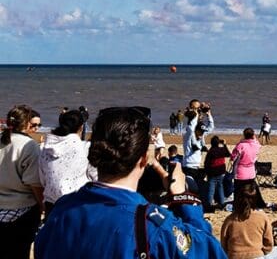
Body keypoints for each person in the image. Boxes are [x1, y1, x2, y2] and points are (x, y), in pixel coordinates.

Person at [34, 105, 228, 258]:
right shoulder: (153, 225)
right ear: (144, 159)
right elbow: (210, 252)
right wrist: (184, 199)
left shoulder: (62, 212)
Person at [0, 105, 44, 259]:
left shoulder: (3, 139)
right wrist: (42, 205)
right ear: (26, 123)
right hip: (21, 209)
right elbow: (34, 183)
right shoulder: (29, 145)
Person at [39, 108, 96, 213]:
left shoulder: (45, 148)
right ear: (81, 127)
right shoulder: (85, 148)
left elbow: (43, 179)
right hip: (77, 203)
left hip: (51, 204)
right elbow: (96, 177)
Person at [220, 182, 277, 259]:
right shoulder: (262, 217)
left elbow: (223, 244)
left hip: (235, 256)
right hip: (256, 256)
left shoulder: (230, 219)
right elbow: (269, 244)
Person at [231, 128, 266, 209]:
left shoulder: (241, 145)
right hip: (251, 171)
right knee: (251, 189)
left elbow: (233, 157)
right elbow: (256, 142)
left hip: (241, 172)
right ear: (253, 135)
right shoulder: (256, 145)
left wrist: (241, 141)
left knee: (238, 191)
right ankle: (253, 204)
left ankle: (237, 205)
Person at [204, 135, 231, 212]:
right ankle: (222, 203)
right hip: (221, 172)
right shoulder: (221, 150)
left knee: (211, 189)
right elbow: (228, 154)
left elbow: (206, 163)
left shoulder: (211, 151)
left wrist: (206, 172)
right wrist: (224, 145)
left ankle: (209, 204)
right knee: (220, 187)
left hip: (212, 173)